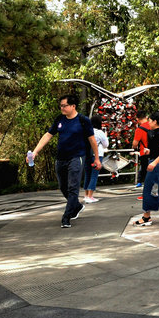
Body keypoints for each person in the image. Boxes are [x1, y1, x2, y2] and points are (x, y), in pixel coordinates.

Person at [27, 94, 101, 229]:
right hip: (61, 158)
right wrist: (35, 151)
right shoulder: (60, 119)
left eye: (64, 106)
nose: (62, 108)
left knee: (73, 188)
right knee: (63, 187)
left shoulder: (83, 120)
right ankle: (76, 206)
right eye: (60, 106)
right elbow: (48, 135)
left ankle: (66, 217)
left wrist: (96, 158)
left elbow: (92, 140)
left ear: (73, 106)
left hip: (77, 157)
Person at [84, 116, 108, 203]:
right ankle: (90, 196)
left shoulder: (86, 131)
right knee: (94, 175)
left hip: (87, 155)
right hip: (97, 155)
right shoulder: (100, 132)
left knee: (87, 175)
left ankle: (86, 195)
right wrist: (105, 136)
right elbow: (106, 145)